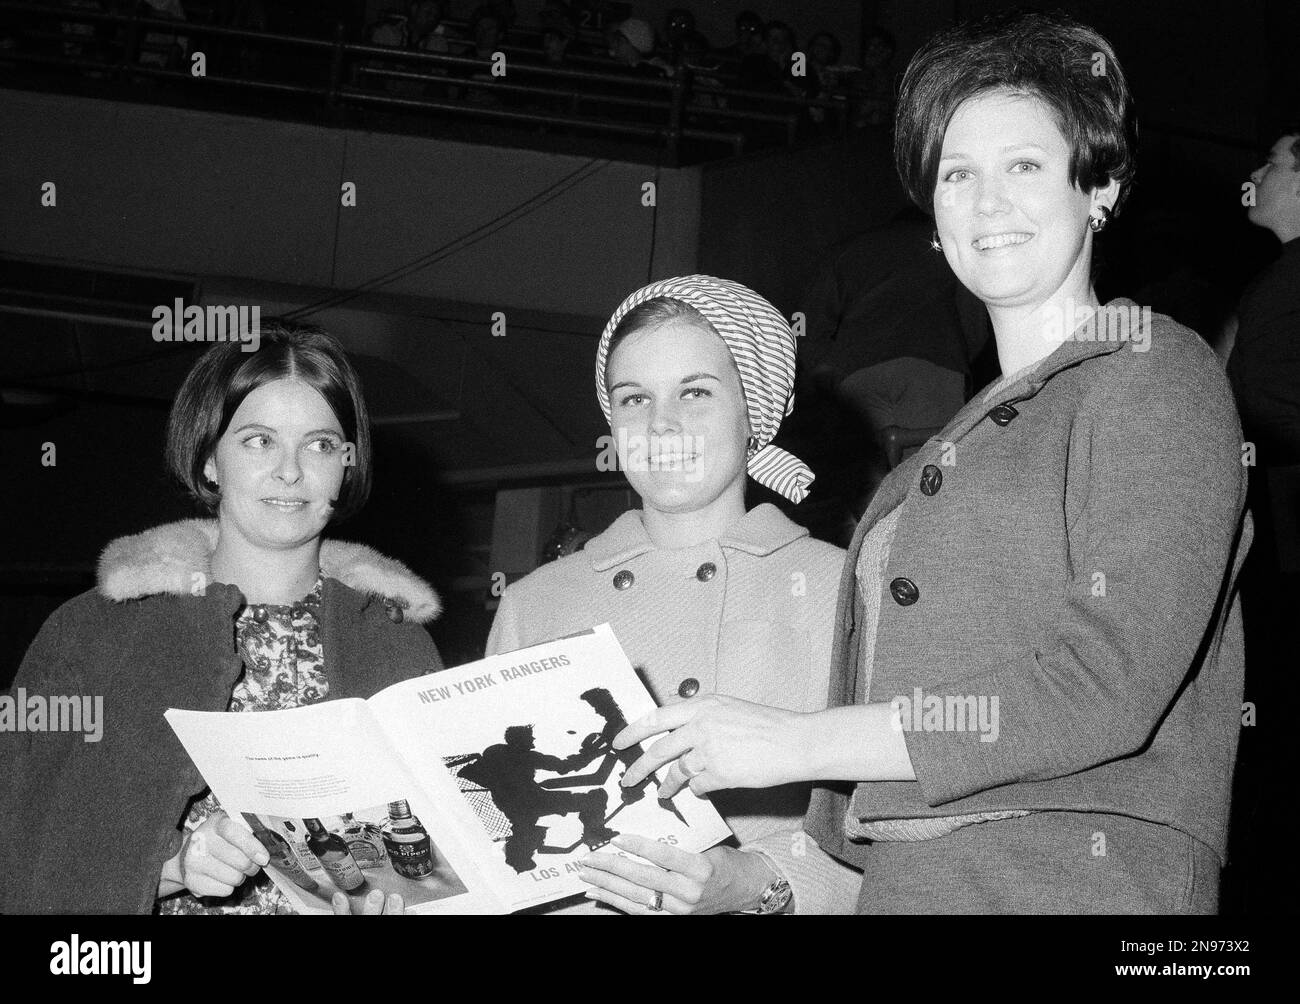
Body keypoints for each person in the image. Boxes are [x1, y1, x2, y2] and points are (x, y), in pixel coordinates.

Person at [610, 11, 1252, 914]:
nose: (987, 202)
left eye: (1024, 165)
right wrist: (754, 885)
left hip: (1074, 880)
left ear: (1099, 187)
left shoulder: (1153, 372)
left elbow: (1101, 684)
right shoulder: (944, 454)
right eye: (958, 174)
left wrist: (801, 743)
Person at [0, 323, 444, 915]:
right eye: (259, 440)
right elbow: (23, 836)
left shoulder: (395, 639)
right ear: (210, 459)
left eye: (318, 444)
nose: (290, 471)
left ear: (347, 464)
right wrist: (168, 868)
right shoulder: (98, 634)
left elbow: (442, 858)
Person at [487, 276, 862, 914]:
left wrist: (755, 885)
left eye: (694, 392)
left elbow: (895, 847)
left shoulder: (843, 591)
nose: (662, 425)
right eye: (634, 399)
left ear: (756, 410)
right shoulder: (532, 603)